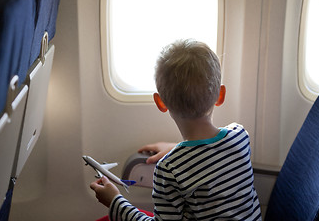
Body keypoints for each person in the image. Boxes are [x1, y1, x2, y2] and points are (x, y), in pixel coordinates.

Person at [90, 39, 262, 220]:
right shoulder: (241, 137)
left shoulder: (170, 168)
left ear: (160, 102)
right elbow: (213, 157)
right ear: (220, 95)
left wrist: (115, 201)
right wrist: (177, 148)